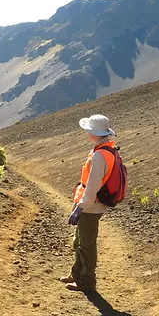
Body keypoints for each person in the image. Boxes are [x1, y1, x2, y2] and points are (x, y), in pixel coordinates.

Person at [60, 114, 118, 292]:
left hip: (91, 206)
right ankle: (76, 274)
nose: (87, 134)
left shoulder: (100, 155)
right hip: (91, 203)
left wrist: (80, 208)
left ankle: (87, 282)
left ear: (95, 133)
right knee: (79, 241)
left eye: (89, 131)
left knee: (86, 245)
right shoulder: (107, 149)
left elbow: (92, 187)